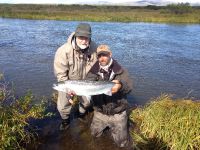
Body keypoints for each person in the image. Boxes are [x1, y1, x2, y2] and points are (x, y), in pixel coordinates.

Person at [86, 45, 133, 147]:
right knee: (94, 135)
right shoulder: (93, 71)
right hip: (100, 111)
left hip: (118, 112)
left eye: (105, 55)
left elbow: (129, 87)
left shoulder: (120, 70)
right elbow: (86, 85)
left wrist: (120, 86)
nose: (102, 58)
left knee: (122, 143)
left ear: (110, 54)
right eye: (99, 56)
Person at [54, 23, 97, 131]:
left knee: (86, 102)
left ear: (90, 37)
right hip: (68, 82)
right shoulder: (63, 51)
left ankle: (81, 114)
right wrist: (68, 89)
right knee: (63, 105)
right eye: (81, 37)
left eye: (86, 38)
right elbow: (61, 74)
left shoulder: (95, 49)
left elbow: (99, 66)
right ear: (76, 36)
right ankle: (65, 121)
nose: (84, 41)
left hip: (88, 82)